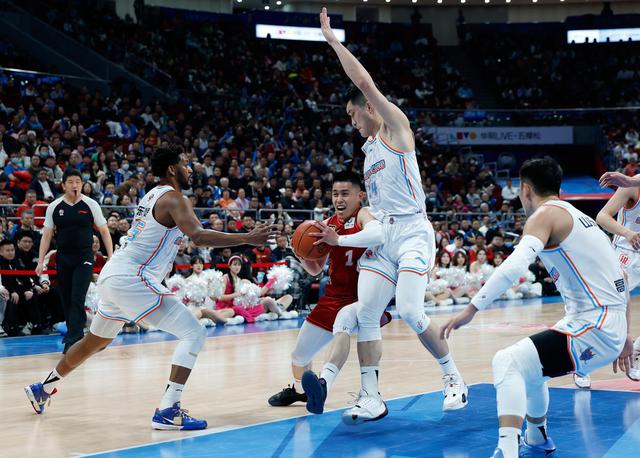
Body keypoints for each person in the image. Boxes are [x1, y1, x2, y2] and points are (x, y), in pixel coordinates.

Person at [25, 147, 277, 431]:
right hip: (132, 277)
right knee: (194, 332)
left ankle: (42, 388)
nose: (190, 169)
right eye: (185, 164)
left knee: (94, 342)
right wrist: (248, 237)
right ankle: (169, 409)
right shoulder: (175, 198)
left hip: (114, 275)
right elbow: (198, 236)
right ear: (172, 169)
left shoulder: (152, 195)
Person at [310, 8, 468, 425]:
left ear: (368, 109)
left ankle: (453, 379)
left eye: (352, 115)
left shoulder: (395, 128)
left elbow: (365, 83)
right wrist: (343, 234)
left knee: (412, 312)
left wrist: (333, 42)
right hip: (386, 237)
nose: (351, 123)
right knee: (363, 314)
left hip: (414, 232)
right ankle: (371, 397)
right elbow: (376, 217)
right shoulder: (368, 155)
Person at [442, 158, 631, 458]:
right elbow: (621, 277)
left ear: (526, 189)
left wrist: (471, 309)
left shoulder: (545, 214)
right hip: (608, 323)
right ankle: (536, 437)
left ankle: (506, 450)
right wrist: (626, 335)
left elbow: (516, 266)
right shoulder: (582, 219)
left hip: (595, 324)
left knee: (507, 362)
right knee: (531, 368)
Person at [268, 171, 391, 408]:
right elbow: (316, 270)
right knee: (299, 356)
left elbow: (377, 234)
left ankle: (325, 384)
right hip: (333, 296)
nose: (339, 199)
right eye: (335, 194)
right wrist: (302, 255)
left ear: (360, 196)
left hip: (361, 297)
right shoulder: (326, 225)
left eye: (345, 194)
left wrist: (339, 240)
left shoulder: (363, 215)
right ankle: (304, 391)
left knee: (341, 329)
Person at [35, 170, 114, 353]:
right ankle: (75, 335)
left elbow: (104, 231)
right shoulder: (54, 206)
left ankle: (74, 339)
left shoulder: (91, 204)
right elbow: (46, 236)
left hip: (84, 257)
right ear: (63, 185)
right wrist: (40, 261)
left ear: (82, 184)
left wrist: (110, 256)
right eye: (70, 182)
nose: (75, 185)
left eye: (78, 181)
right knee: (66, 298)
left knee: (77, 297)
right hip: (63, 257)